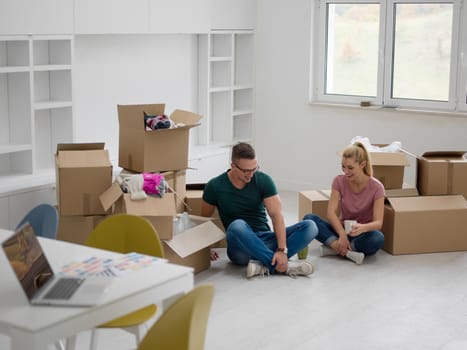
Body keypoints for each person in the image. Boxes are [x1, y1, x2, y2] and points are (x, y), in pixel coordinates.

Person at [201, 142, 318, 278]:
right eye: (246, 171)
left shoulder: (263, 180)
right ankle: (284, 267)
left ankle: (265, 265)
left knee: (311, 226)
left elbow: (277, 216)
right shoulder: (214, 186)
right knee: (237, 225)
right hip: (240, 248)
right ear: (233, 166)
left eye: (254, 169)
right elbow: (204, 220)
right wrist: (204, 250)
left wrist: (281, 250)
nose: (250, 175)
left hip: (266, 239)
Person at [304, 141, 385, 265]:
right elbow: (331, 213)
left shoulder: (377, 187)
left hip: (361, 233)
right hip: (340, 230)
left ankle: (334, 249)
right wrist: (342, 234)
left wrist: (363, 228)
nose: (346, 171)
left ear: (363, 164)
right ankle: (347, 251)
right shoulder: (338, 181)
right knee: (309, 219)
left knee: (378, 238)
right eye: (343, 166)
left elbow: (378, 223)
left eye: (350, 168)